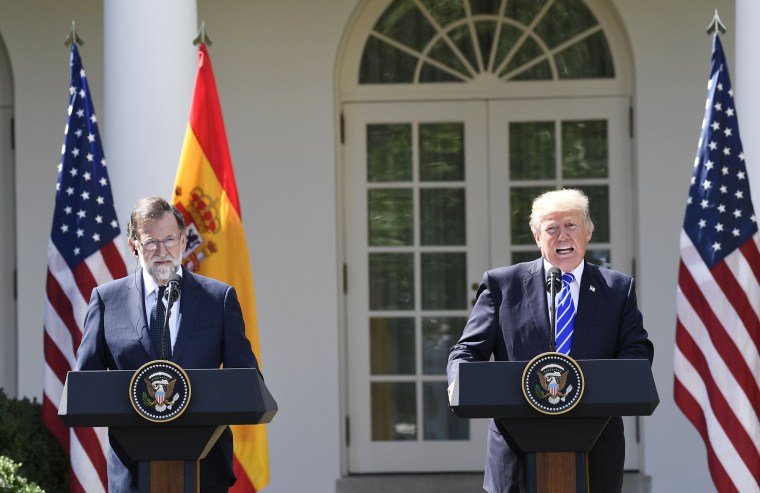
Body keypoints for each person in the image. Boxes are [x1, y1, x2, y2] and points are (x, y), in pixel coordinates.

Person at [447, 188, 653, 493]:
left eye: (571, 226)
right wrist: (458, 380)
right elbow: (466, 350)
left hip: (596, 444)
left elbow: (636, 350)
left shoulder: (617, 289)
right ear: (536, 236)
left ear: (588, 232)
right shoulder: (503, 286)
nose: (562, 237)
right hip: (516, 445)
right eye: (551, 228)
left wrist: (615, 381)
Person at [74, 196, 260, 493]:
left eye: (170, 240)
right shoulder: (107, 301)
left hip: (205, 469)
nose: (162, 251)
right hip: (132, 472)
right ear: (134, 246)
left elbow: (247, 380)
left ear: (184, 241)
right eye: (150, 242)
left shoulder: (218, 299)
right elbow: (85, 386)